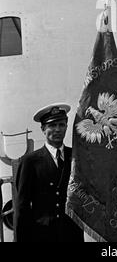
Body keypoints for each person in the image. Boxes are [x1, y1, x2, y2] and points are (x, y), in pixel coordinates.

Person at [15, 103, 84, 242]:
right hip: (42, 235)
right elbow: (22, 207)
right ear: (43, 129)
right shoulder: (30, 161)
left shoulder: (77, 157)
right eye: (52, 126)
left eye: (61, 125)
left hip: (72, 234)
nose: (57, 129)